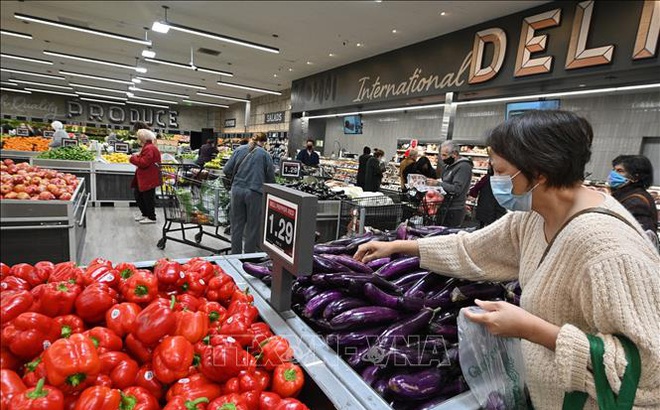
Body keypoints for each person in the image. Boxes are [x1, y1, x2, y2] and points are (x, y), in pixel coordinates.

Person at [354, 110, 660, 409]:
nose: (493, 180)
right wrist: (399, 247)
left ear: (540, 173)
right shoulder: (534, 216)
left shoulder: (608, 250)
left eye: (500, 171)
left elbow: (649, 368)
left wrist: (532, 330)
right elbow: (473, 249)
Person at [223, 132, 275, 254]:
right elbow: (271, 179)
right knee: (252, 227)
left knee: (236, 225)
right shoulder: (265, 155)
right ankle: (248, 257)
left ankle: (235, 255)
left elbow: (226, 170)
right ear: (263, 142)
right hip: (255, 192)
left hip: (237, 191)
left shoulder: (239, 150)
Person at [428, 140, 473, 227]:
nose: (442, 158)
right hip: (445, 206)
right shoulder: (449, 166)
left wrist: (438, 184)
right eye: (441, 155)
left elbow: (457, 189)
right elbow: (446, 182)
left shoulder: (463, 167)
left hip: (454, 209)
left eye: (444, 155)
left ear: (455, 154)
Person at [609, 155, 657, 233]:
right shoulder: (623, 194)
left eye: (620, 171)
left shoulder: (636, 202)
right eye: (613, 170)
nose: (613, 174)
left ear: (635, 177)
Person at [129, 129, 161, 224]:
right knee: (140, 195)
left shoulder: (149, 148)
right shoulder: (149, 147)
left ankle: (151, 217)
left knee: (147, 197)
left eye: (138, 138)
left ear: (142, 138)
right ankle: (145, 214)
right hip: (147, 176)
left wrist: (132, 158)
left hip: (148, 177)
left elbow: (144, 163)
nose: (137, 140)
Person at [469, 162, 506, 228]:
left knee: (482, 227)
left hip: (485, 207)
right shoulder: (505, 179)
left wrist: (472, 194)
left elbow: (475, 189)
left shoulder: (487, 178)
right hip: (499, 209)